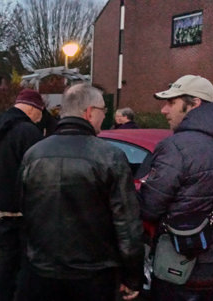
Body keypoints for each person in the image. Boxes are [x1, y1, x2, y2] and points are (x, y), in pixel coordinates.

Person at [17, 83, 144, 301]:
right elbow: (127, 225)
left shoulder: (34, 153)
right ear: (89, 112)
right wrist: (132, 276)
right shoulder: (110, 156)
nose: (105, 116)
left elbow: (24, 210)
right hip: (94, 276)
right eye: (104, 110)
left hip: (41, 272)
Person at [139, 75, 213, 300]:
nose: (164, 110)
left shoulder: (176, 146)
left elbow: (149, 207)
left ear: (195, 104)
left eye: (171, 103)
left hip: (182, 265)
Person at [0, 89, 44, 301]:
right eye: (40, 112)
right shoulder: (28, 132)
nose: (41, 117)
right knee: (25, 271)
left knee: (7, 266)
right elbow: (38, 175)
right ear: (32, 108)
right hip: (22, 212)